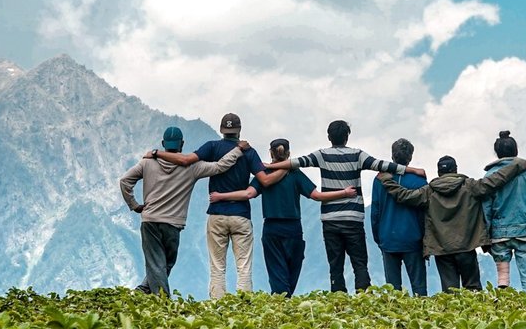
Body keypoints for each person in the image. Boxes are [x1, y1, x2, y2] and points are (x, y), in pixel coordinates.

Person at [262, 120, 423, 293]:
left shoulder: (321, 155)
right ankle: (363, 298)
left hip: (330, 220)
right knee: (360, 264)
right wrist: (412, 170)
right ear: (347, 137)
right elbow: (383, 165)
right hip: (353, 219)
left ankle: (339, 302)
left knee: (335, 266)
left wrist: (271, 166)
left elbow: (296, 163)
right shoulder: (358, 155)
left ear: (329, 137)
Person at [209, 137, 359, 295]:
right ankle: (285, 302)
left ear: (270, 153)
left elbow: (248, 194)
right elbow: (316, 196)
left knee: (277, 274)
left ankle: (280, 303)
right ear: (288, 153)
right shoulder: (295, 173)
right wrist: (344, 193)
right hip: (293, 229)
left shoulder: (264, 174)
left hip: (272, 229)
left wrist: (221, 196)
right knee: (292, 272)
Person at [150, 111, 269, 299]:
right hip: (241, 215)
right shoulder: (249, 152)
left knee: (217, 266)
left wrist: (156, 154)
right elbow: (264, 179)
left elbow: (186, 160)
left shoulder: (212, 147)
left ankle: (217, 306)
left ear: (222, 130)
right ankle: (245, 307)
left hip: (217, 215)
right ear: (239, 131)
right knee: (243, 266)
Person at [377, 154, 526, 291]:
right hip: (467, 247)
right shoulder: (470, 187)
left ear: (439, 172)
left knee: (450, 293)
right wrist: (518, 164)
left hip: (442, 250)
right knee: (472, 290)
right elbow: (496, 180)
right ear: (456, 169)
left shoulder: (428, 192)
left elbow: (403, 196)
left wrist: (386, 180)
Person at [119, 126, 244, 296]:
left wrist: (134, 205)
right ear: (182, 144)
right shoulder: (193, 168)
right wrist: (238, 150)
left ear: (163, 144)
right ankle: (162, 302)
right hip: (173, 223)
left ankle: (142, 292)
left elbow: (125, 181)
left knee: (158, 264)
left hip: (150, 221)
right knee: (164, 264)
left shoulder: (147, 163)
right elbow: (220, 167)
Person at [483, 130, 526, 291]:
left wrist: (485, 231)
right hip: (524, 230)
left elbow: (486, 207)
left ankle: (504, 306)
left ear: (497, 153)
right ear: (516, 150)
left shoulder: (490, 175)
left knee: (503, 276)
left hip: (499, 232)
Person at [369, 137, 428, 295]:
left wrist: (379, 237)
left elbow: (375, 212)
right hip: (413, 239)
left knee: (393, 290)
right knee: (419, 287)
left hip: (388, 238)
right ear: (410, 157)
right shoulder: (420, 181)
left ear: (392, 156)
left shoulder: (379, 180)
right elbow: (425, 213)